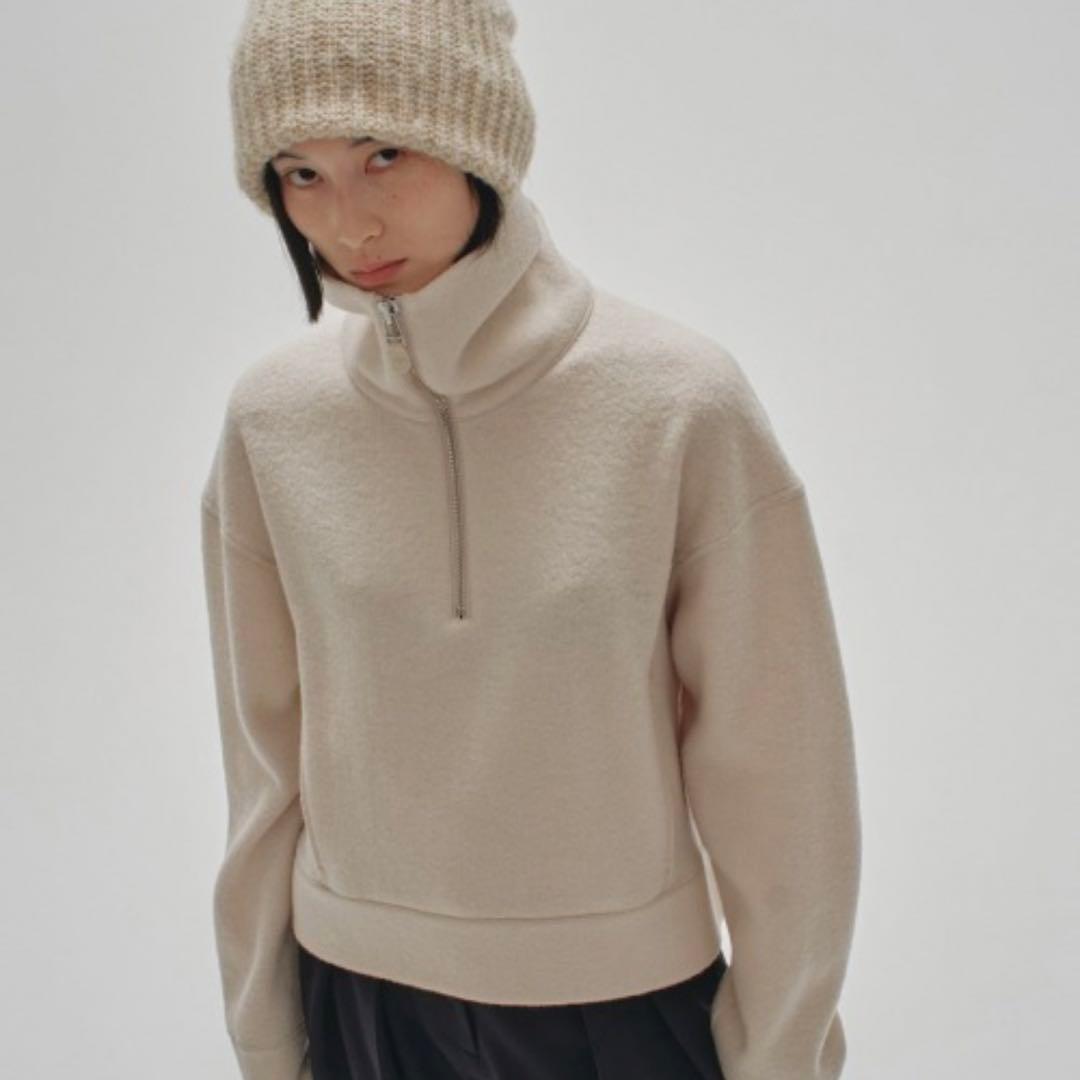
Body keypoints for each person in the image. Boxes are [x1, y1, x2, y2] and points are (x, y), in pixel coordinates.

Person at [200, 1, 863, 1078]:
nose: (348, 224)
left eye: (383, 154)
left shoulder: (677, 403)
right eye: (300, 173)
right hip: (361, 1002)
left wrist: (782, 1052)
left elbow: (780, 775)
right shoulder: (273, 423)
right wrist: (267, 1038)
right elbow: (262, 766)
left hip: (620, 1009)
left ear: (477, 139)